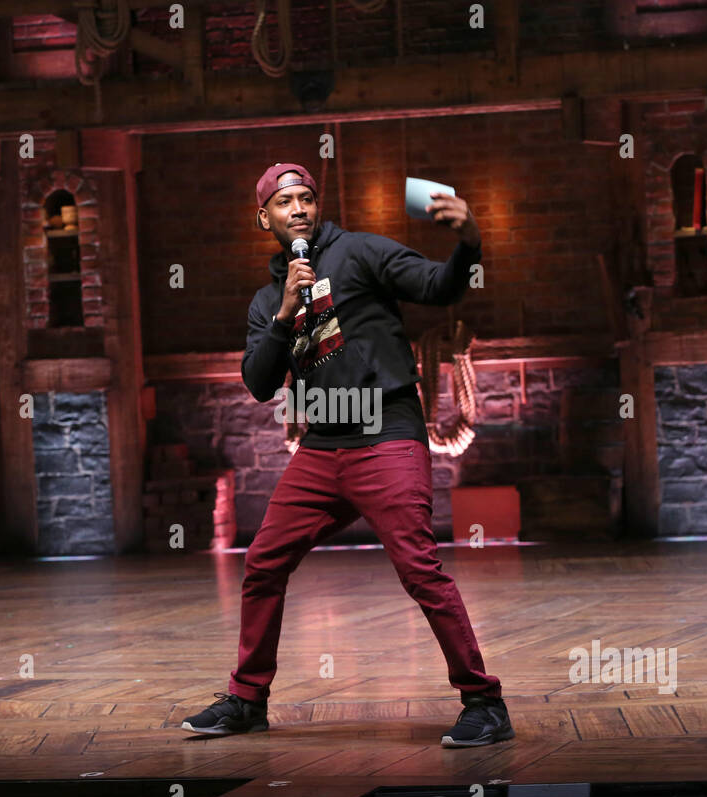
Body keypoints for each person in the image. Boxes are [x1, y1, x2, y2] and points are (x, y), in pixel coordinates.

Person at [182, 162, 512, 747]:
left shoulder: (360, 252)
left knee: (418, 568)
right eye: (284, 203)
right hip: (322, 447)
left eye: (306, 198)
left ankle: (484, 703)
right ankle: (247, 699)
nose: (299, 209)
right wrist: (285, 313)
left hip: (387, 434)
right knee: (262, 563)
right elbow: (260, 383)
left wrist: (469, 242)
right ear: (265, 219)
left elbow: (440, 286)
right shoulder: (267, 301)